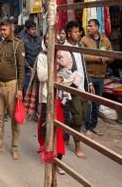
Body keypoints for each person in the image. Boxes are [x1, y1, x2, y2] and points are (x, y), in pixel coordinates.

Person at [0, 19, 25, 160]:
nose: (2, 32)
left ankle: (15, 148)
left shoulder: (18, 45)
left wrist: (20, 89)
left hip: (12, 86)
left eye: (5, 30)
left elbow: (21, 69)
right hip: (0, 85)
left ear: (11, 29)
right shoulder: (1, 45)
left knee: (14, 119)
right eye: (1, 30)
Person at [64, 20, 95, 158]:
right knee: (77, 117)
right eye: (75, 32)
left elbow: (84, 67)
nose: (78, 34)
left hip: (84, 87)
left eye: (79, 31)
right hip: (73, 89)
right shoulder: (64, 49)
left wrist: (89, 83)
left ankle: (67, 130)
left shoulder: (80, 46)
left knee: (82, 115)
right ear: (69, 33)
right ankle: (77, 146)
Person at [36, 34, 66, 175]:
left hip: (59, 97)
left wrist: (61, 75)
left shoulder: (62, 55)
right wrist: (53, 67)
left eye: (52, 38)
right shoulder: (42, 56)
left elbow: (69, 73)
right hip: (46, 97)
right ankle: (47, 153)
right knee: (45, 128)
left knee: (58, 130)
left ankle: (58, 160)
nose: (50, 41)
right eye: (47, 38)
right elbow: (41, 76)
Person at [81, 19, 113, 137]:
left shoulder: (105, 40)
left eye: (90, 26)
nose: (88, 28)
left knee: (97, 102)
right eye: (88, 26)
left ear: (97, 27)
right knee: (89, 101)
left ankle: (93, 126)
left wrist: (106, 58)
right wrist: (96, 58)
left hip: (100, 75)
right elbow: (82, 56)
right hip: (89, 75)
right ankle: (88, 126)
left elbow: (112, 55)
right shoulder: (84, 40)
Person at [21, 20, 42, 95]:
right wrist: (30, 68)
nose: (34, 31)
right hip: (28, 72)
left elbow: (41, 53)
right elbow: (22, 57)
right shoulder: (23, 41)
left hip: (38, 70)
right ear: (27, 30)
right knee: (28, 93)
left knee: (37, 94)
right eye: (32, 29)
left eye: (35, 29)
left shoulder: (39, 40)